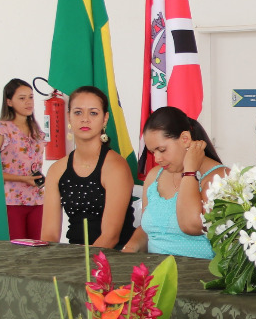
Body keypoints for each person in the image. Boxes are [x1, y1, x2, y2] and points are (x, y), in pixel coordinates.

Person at [122, 106, 227, 259]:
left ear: (185, 139)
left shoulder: (220, 178)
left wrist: (190, 170)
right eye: (153, 152)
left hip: (197, 271)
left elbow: (192, 225)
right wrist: (129, 249)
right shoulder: (155, 175)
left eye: (162, 150)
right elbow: (147, 229)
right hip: (156, 270)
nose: (157, 158)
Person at [41, 86, 136, 249]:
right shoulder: (56, 170)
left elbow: (110, 236)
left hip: (113, 256)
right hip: (74, 255)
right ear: (68, 117)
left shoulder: (115, 167)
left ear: (105, 118)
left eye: (93, 113)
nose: (85, 119)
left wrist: (85, 261)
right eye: (78, 112)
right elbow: (49, 235)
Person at [0, 78, 45, 240]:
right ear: (9, 102)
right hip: (12, 201)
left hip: (37, 199)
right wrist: (23, 179)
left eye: (31, 97)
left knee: (39, 246)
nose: (28, 102)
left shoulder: (36, 130)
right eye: (22, 98)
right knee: (18, 247)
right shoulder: (2, 130)